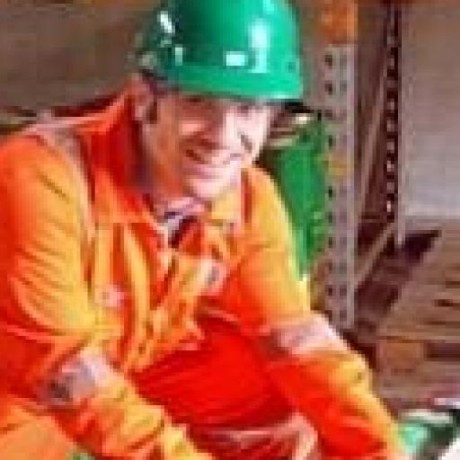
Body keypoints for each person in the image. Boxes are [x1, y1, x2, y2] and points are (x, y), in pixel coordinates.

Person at [0, 0, 409, 459]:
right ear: (143, 97)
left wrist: (382, 448)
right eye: (197, 101)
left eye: (248, 109)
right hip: (23, 396)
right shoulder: (39, 179)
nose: (223, 136)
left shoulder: (249, 201)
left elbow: (296, 340)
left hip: (127, 364)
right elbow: (64, 371)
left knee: (272, 395)